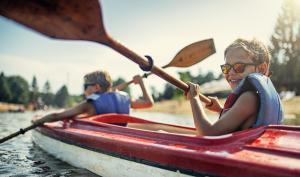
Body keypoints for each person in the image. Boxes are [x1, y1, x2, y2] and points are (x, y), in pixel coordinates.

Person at [186, 38, 283, 136]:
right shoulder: (254, 98)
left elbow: (208, 133)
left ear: (261, 69)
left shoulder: (249, 98)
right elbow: (242, 121)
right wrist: (220, 110)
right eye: (226, 68)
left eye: (239, 67)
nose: (231, 73)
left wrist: (194, 98)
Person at [33, 70, 153, 125]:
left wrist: (38, 121)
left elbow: (56, 116)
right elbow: (149, 103)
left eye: (85, 86)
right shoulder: (125, 99)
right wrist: (141, 83)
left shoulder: (89, 104)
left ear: (96, 87)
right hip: (123, 137)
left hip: (102, 140)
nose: (84, 90)